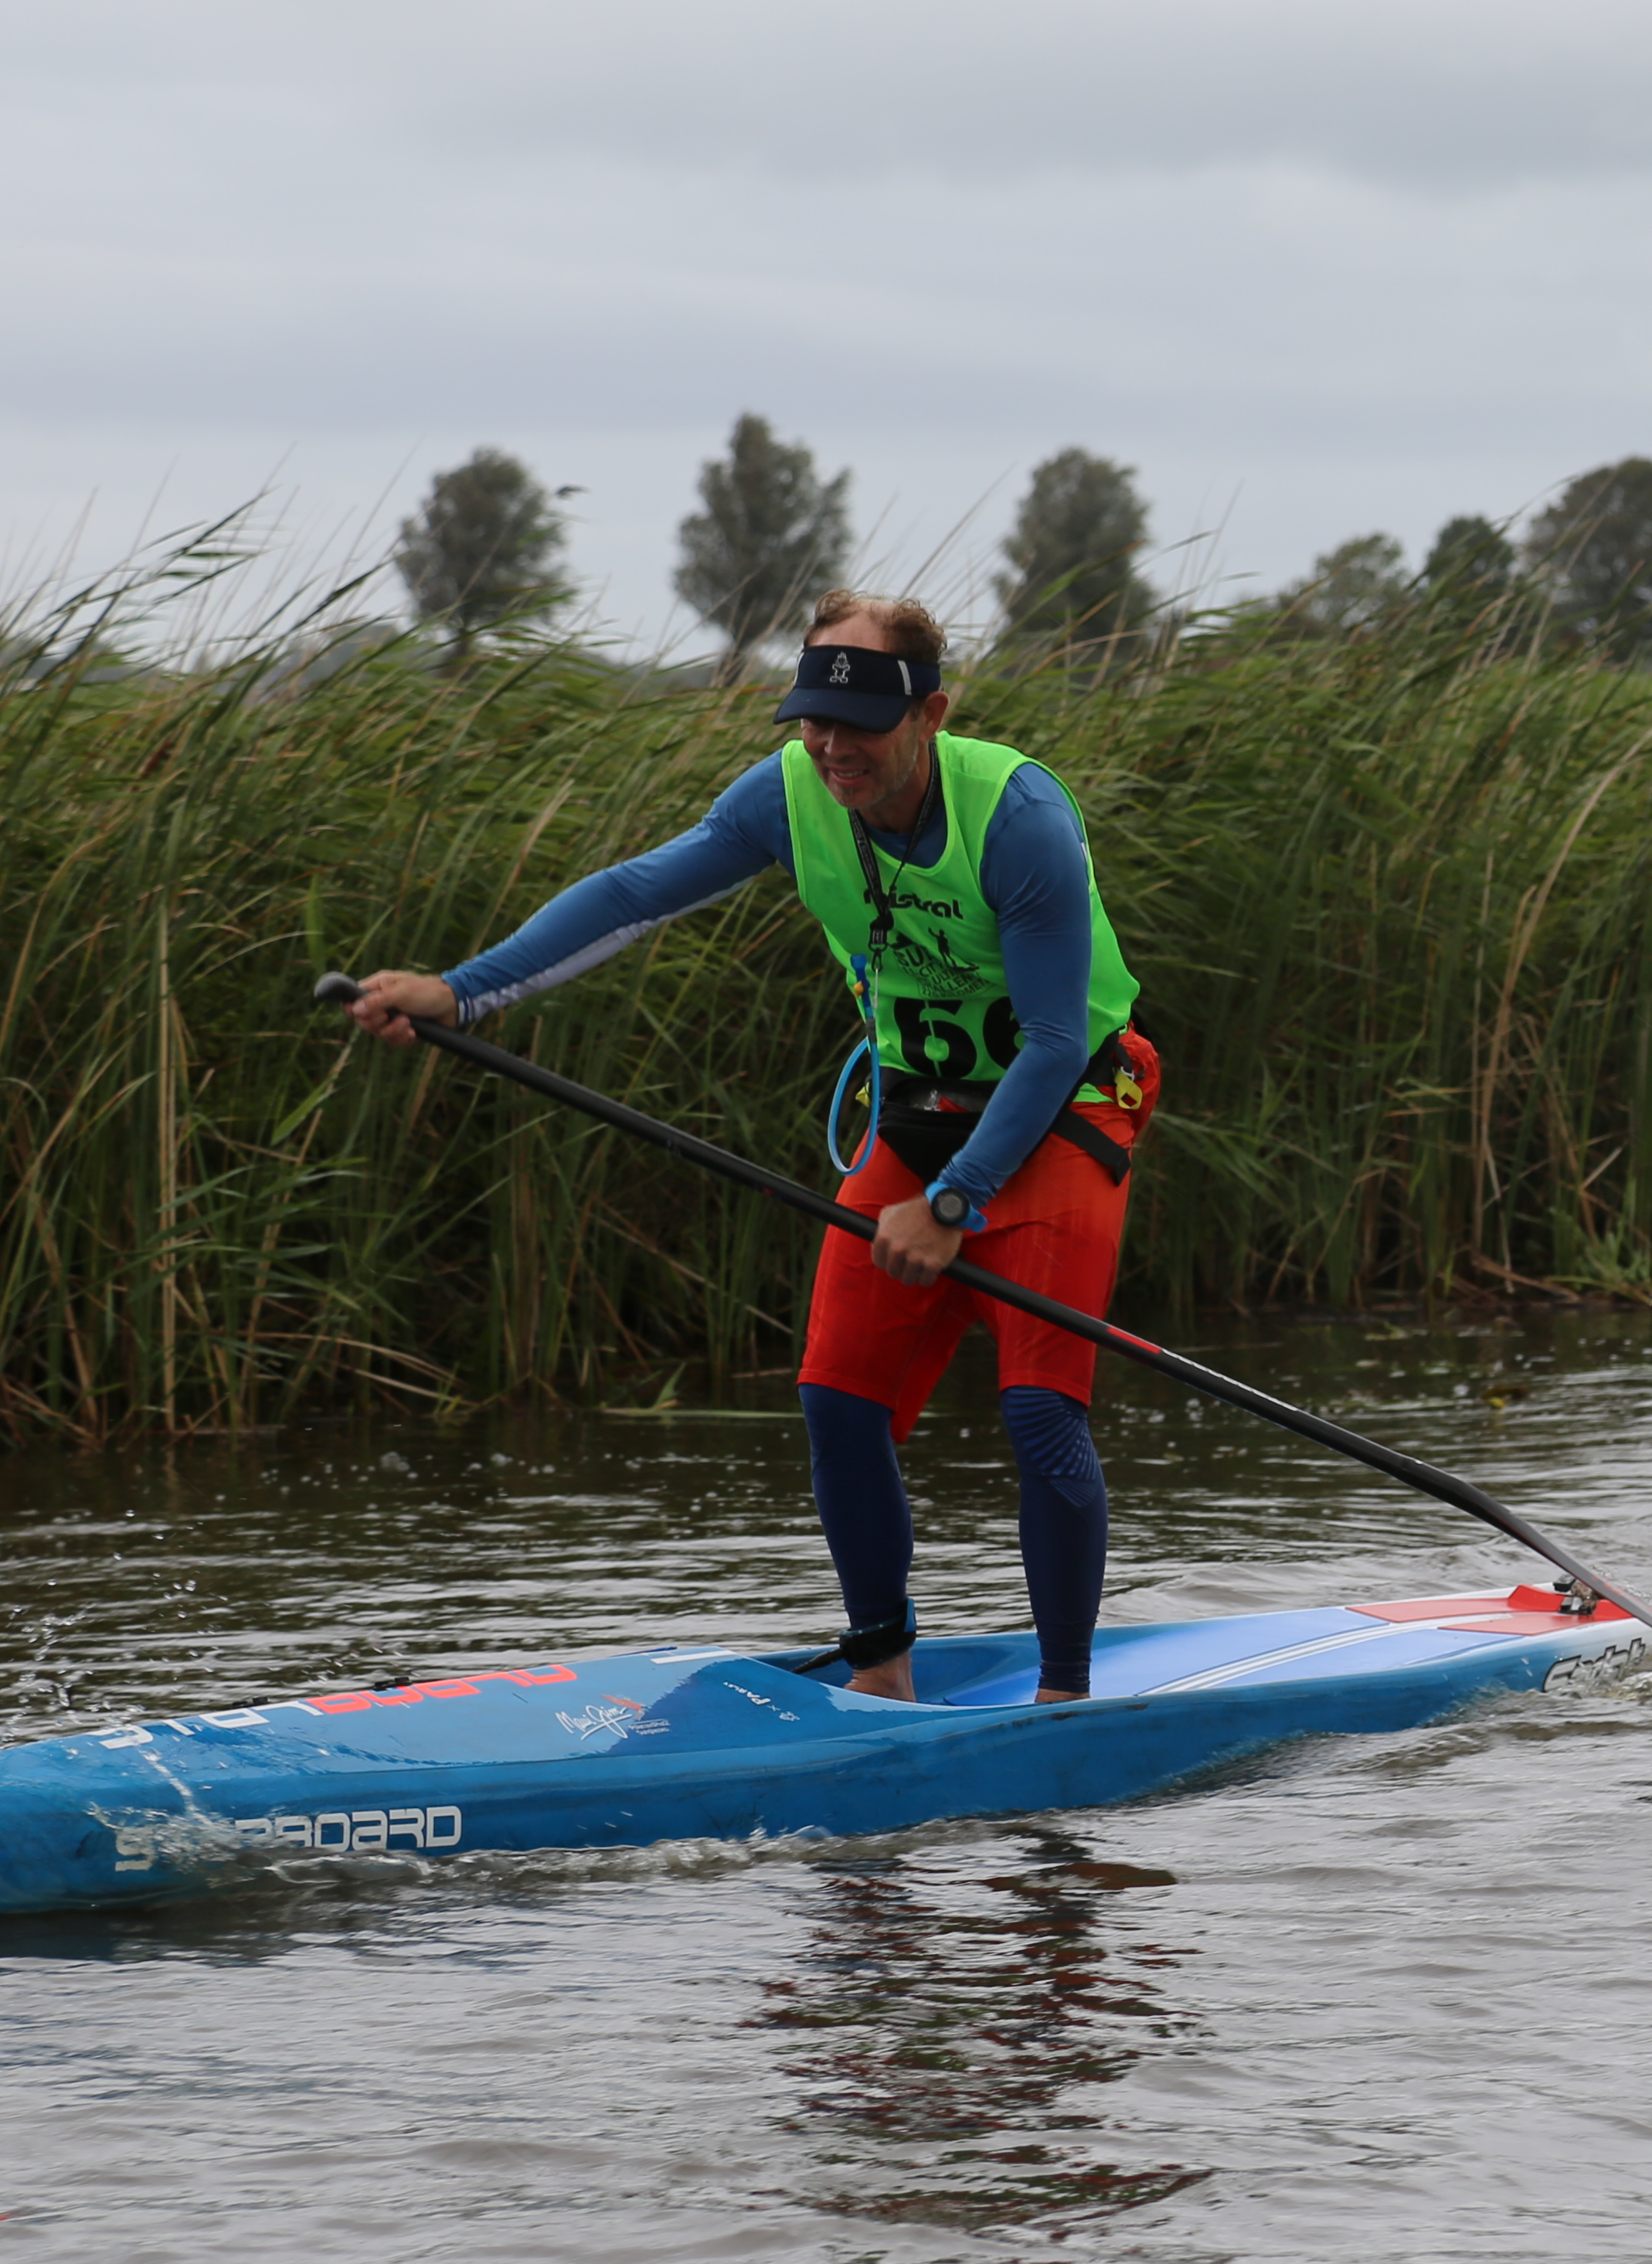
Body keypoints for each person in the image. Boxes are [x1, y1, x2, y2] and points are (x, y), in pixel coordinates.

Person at [342, 592, 1160, 1702]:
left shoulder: (1016, 818)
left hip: (1061, 1114)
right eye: (813, 718)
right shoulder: (789, 794)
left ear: (932, 713)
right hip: (917, 1117)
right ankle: (883, 1672)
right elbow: (634, 896)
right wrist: (462, 994)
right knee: (836, 1397)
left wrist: (958, 1201)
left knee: (1036, 1409)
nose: (831, 747)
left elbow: (1059, 1039)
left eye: (859, 725)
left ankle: (1068, 1698)